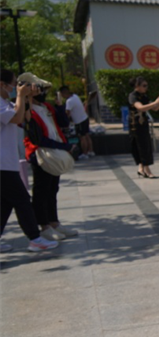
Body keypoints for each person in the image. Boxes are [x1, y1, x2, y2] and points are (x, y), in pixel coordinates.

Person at [0, 70, 59, 253]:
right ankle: (35, 239)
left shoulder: (6, 103)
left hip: (6, 162)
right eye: (14, 83)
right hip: (2, 164)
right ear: (2, 84)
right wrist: (20, 95)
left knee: (5, 203)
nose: (16, 87)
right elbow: (17, 118)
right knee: (23, 200)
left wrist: (27, 98)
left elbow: (25, 118)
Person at [22, 73, 79, 242]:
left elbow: (64, 123)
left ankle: (54, 222)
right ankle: (44, 226)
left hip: (53, 152)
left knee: (53, 189)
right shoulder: (27, 109)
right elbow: (37, 138)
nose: (42, 92)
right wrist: (63, 146)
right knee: (42, 190)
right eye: (39, 89)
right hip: (40, 154)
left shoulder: (46, 107)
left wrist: (59, 106)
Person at [128, 76, 159, 178]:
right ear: (137, 86)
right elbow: (140, 107)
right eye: (144, 85)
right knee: (139, 145)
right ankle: (146, 170)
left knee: (145, 145)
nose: (146, 87)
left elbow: (155, 108)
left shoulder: (144, 96)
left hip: (143, 123)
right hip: (135, 124)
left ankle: (141, 168)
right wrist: (155, 103)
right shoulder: (133, 96)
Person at [60, 85, 94, 159]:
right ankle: (90, 151)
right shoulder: (75, 96)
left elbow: (67, 113)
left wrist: (65, 121)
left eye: (61, 94)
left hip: (79, 121)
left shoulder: (69, 101)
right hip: (85, 118)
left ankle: (85, 153)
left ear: (64, 93)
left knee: (82, 137)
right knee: (87, 135)